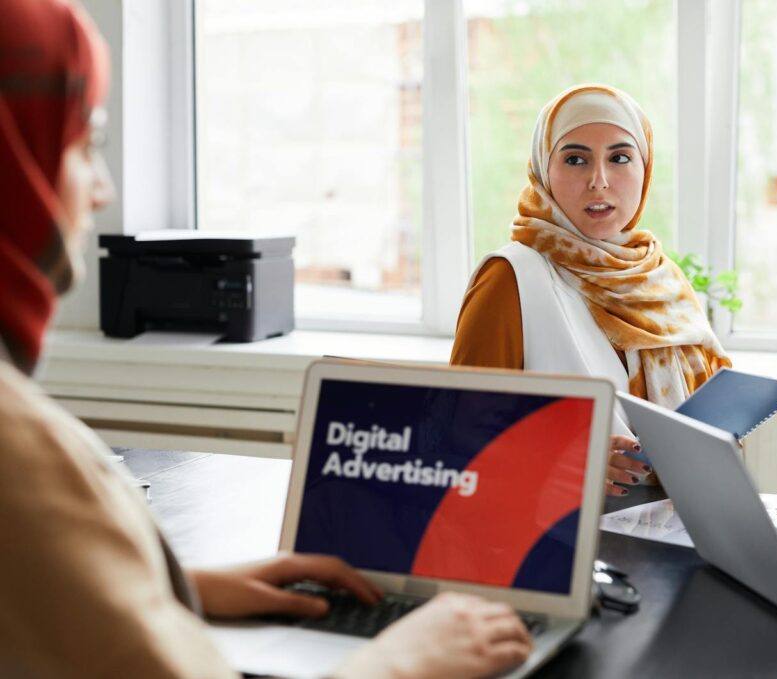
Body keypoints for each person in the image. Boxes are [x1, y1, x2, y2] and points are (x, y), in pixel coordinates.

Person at [0, 1, 531, 677]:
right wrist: (403, 659)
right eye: (85, 144)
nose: (102, 190)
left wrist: (175, 588)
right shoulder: (18, 447)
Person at [451, 84, 732, 497]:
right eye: (576, 159)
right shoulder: (509, 280)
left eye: (619, 158)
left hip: (679, 524)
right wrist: (564, 462)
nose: (599, 181)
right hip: (560, 541)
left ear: (645, 168)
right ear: (544, 172)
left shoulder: (662, 281)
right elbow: (455, 444)